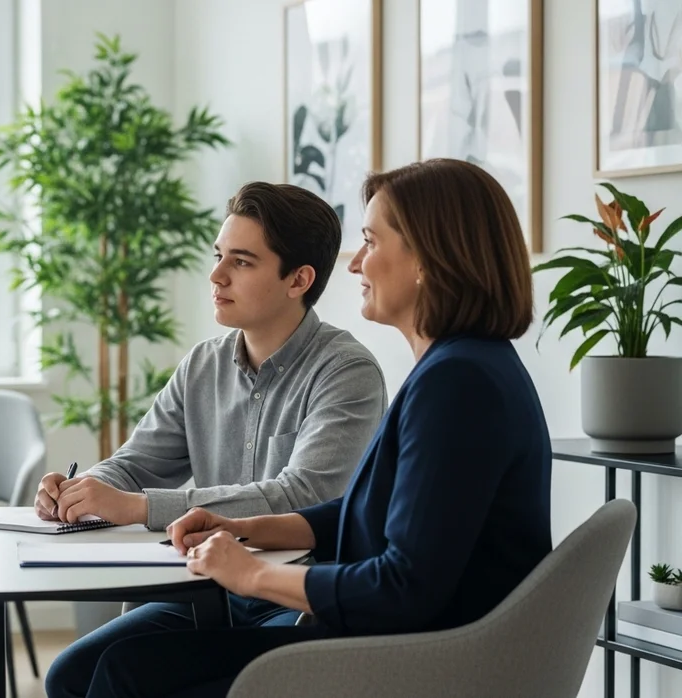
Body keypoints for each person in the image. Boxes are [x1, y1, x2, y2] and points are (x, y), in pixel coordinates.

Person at [81, 158, 553, 698]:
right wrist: (249, 527)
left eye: (370, 242)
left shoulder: (457, 384)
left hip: (416, 661)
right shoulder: (465, 367)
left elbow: (403, 585)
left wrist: (252, 574)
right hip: (407, 639)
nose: (355, 265)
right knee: (90, 670)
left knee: (124, 673)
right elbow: (376, 512)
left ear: (427, 259)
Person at [42, 182, 388, 697]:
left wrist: (139, 507)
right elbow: (135, 464)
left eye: (241, 262)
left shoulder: (346, 372)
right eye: (218, 255)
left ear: (298, 279)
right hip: (207, 588)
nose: (216, 275)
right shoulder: (203, 364)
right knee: (70, 675)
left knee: (122, 678)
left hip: (296, 602)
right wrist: (79, 491)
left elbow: (302, 496)